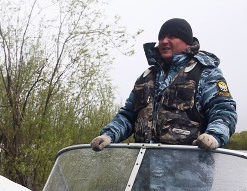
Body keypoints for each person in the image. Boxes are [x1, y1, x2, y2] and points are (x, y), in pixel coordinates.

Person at [90, 18, 237, 151]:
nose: (164, 41)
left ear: (186, 42)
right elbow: (128, 116)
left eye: (172, 36)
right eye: (161, 37)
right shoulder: (146, 77)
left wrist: (214, 136)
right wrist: (108, 136)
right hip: (143, 172)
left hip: (188, 174)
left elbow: (224, 111)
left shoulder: (206, 73)